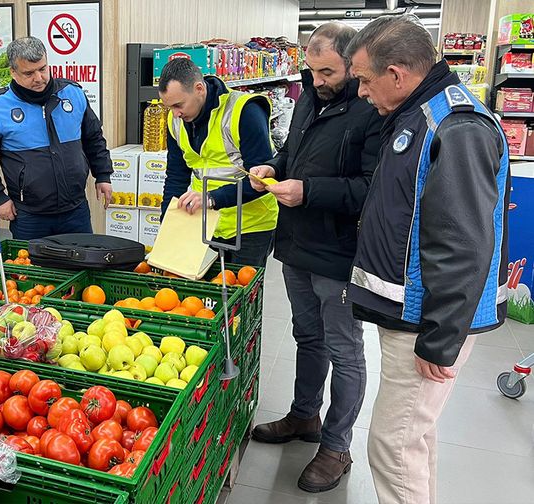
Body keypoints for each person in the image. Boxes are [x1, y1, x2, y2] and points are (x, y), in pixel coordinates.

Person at [344, 15, 509, 504]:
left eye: (364, 80)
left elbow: (463, 244)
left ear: (396, 74)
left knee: (393, 446)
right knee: (413, 437)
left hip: (425, 320)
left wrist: (440, 340)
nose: (360, 92)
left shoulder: (455, 126)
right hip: (411, 312)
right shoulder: (417, 114)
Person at [247, 23, 382, 493]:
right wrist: (274, 166)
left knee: (345, 351)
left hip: (340, 253)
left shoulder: (370, 109)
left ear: (353, 63)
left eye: (328, 72)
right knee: (307, 336)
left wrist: (308, 192)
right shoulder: (309, 95)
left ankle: (337, 446)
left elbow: (371, 189)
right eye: (312, 69)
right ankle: (304, 415)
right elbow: (293, 151)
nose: (318, 80)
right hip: (297, 244)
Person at [0, 37, 112, 240]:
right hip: (29, 216)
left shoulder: (73, 93)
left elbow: (93, 137)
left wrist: (103, 174)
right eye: (29, 73)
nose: (39, 78)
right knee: (30, 262)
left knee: (82, 259)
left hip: (76, 209)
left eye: (42, 69)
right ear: (13, 72)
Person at [158, 58, 278, 268]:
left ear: (199, 89)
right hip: (206, 223)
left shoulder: (244, 111)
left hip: (250, 226)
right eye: (169, 107)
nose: (175, 113)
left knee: (241, 287)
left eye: (178, 105)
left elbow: (262, 181)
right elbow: (176, 176)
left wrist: (212, 198)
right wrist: (167, 223)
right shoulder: (175, 120)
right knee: (205, 287)